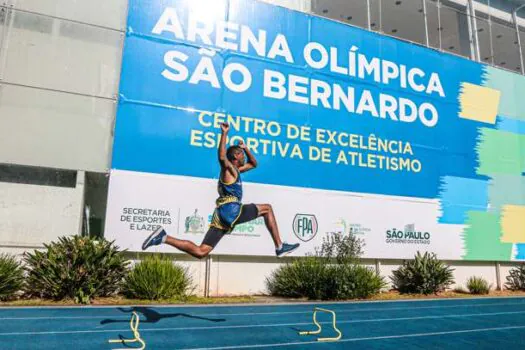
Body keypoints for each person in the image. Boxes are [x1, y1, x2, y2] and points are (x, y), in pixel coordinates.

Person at [141, 122, 300, 259]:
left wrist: (246, 148)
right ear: (236, 156)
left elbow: (254, 164)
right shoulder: (229, 169)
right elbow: (222, 157)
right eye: (242, 154)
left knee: (201, 251)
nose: (244, 157)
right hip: (231, 211)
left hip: (221, 216)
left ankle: (163, 237)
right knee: (267, 209)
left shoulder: (236, 171)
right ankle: (279, 246)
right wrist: (224, 134)